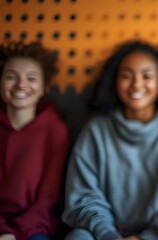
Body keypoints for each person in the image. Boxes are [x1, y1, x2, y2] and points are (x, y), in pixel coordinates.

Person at [61, 40, 158, 240]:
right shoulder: (96, 130)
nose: (136, 84)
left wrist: (147, 237)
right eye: (126, 75)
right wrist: (109, 235)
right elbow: (83, 196)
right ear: (115, 82)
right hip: (103, 233)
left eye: (146, 76)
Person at [0, 41, 69, 240]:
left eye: (31, 78)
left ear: (44, 88)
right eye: (11, 77)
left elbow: (47, 200)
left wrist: (13, 234)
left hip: (34, 226)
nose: (21, 85)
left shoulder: (55, 131)